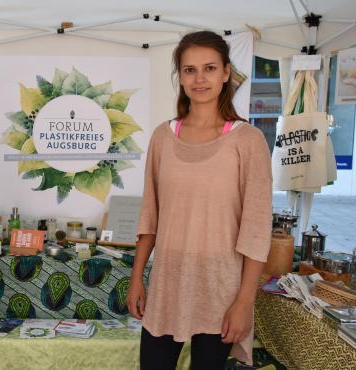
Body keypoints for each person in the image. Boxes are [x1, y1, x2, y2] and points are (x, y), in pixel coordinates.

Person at [126, 30, 272, 370]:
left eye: (209, 68)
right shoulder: (163, 136)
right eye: (190, 70)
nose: (199, 78)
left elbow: (256, 230)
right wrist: (137, 278)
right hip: (167, 282)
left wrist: (244, 302)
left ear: (225, 73)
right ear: (180, 76)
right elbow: (151, 215)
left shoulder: (248, 141)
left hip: (221, 288)